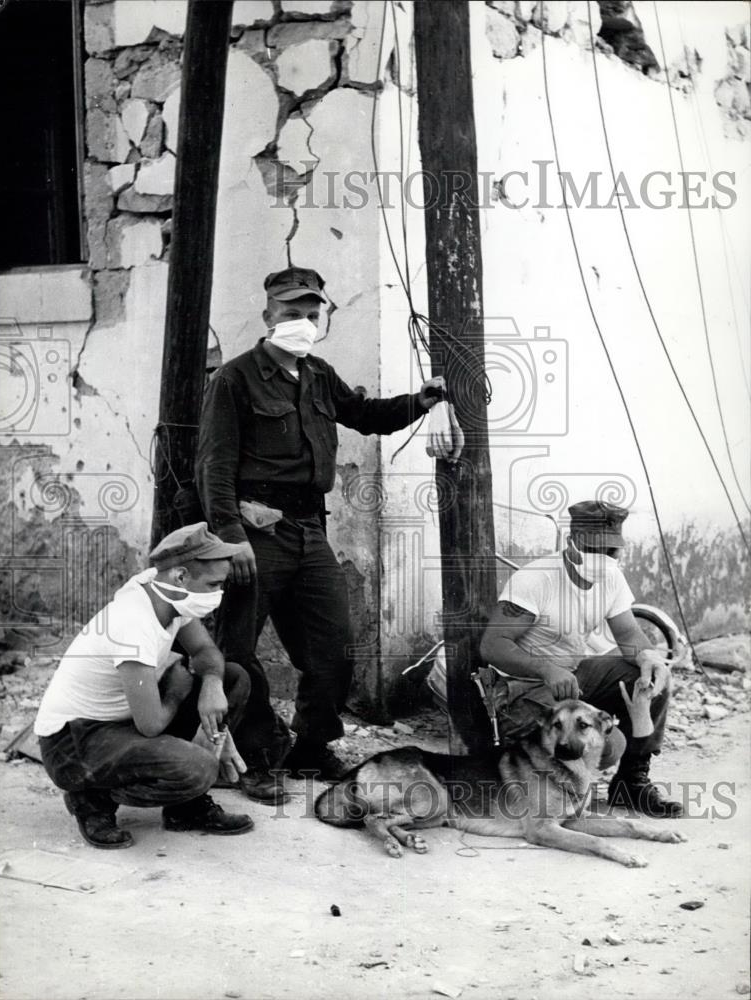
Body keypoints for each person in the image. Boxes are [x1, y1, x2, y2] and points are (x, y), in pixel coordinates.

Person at [195, 266, 445, 791]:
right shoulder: (235, 379)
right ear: (268, 317)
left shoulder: (319, 375)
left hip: (310, 529)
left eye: (312, 314)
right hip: (255, 531)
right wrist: (232, 536)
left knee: (333, 649)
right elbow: (213, 466)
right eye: (291, 314)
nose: (303, 323)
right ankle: (258, 760)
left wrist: (419, 402)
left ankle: (309, 748)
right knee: (239, 650)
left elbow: (367, 415)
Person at [34, 523, 255, 849]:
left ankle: (185, 810)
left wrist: (210, 684)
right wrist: (178, 693)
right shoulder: (133, 621)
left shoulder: (167, 596)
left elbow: (206, 652)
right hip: (73, 741)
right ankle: (91, 799)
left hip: (116, 724)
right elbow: (150, 724)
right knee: (199, 767)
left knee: (232, 678)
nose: (219, 595)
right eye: (214, 585)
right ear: (180, 577)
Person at [479, 499, 684, 818]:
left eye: (612, 552)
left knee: (654, 675)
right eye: (594, 550)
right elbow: (493, 646)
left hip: (573, 678)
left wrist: (647, 658)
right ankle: (549, 795)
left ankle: (631, 784)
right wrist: (546, 669)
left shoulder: (612, 578)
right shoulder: (537, 579)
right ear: (571, 544)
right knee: (610, 744)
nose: (604, 560)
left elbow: (629, 636)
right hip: (523, 691)